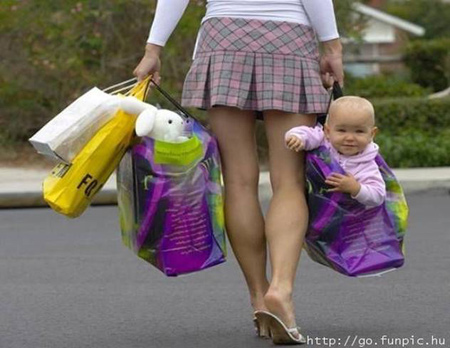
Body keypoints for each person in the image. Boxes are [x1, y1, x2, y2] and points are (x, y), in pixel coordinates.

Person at [134, 0, 344, 344]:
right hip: (288, 38)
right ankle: (281, 291)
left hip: (223, 37)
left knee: (238, 181)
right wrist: (332, 46)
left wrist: (153, 49)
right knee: (288, 181)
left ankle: (260, 297)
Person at [285, 96, 386, 207]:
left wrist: (356, 188)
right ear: (328, 131)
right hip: (313, 208)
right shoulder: (324, 141)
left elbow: (378, 196)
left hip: (344, 219)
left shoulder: (366, 163)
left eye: (359, 131)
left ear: (371, 134)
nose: (350, 138)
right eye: (342, 130)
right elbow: (307, 133)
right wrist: (297, 137)